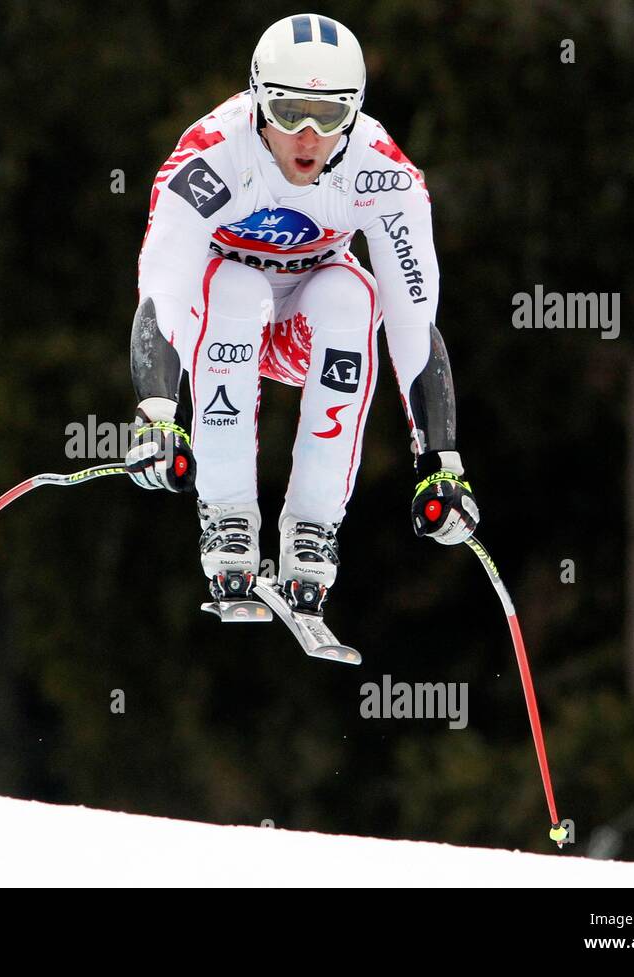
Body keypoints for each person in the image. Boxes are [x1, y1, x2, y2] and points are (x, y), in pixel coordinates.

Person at [124, 13, 479, 617]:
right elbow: (163, 288)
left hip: (303, 331)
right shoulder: (212, 157)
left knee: (354, 295)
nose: (309, 138)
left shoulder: (383, 173)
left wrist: (441, 460)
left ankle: (314, 528)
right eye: (289, 114)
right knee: (234, 286)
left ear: (357, 114)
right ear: (259, 103)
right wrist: (156, 412)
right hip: (222, 320)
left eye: (331, 116)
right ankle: (228, 516)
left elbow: (414, 318)